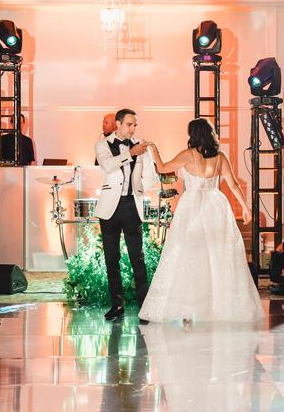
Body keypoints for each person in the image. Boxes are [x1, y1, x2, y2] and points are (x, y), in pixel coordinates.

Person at [140, 118, 260, 324]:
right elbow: (233, 185)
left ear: (192, 135)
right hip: (216, 205)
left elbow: (161, 168)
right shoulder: (220, 157)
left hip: (192, 205)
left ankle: (189, 309)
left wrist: (154, 148)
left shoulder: (188, 155)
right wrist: (246, 208)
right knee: (216, 256)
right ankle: (217, 308)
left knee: (187, 254)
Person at [95, 109, 157, 321]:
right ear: (118, 124)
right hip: (110, 208)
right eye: (129, 124)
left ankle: (144, 307)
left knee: (137, 258)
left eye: (135, 125)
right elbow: (108, 165)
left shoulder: (141, 146)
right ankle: (117, 304)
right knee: (112, 258)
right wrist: (131, 153)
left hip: (132, 205)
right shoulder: (103, 144)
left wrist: (141, 188)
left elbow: (149, 174)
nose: (133, 129)